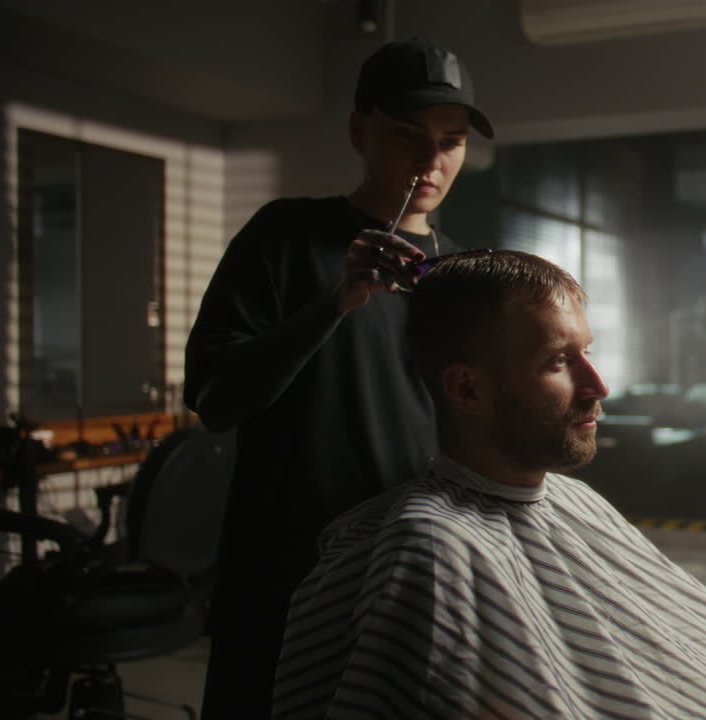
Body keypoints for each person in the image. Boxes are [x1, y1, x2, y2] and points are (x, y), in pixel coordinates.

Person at [272, 250, 706, 720]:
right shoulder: (433, 549)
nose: (598, 387)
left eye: (589, 354)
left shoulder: (578, 503)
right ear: (467, 388)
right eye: (558, 361)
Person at [183, 38, 494, 718]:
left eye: (451, 141)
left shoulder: (464, 276)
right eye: (409, 135)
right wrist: (335, 302)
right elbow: (215, 399)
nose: (431, 161)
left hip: (414, 567)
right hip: (287, 572)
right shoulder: (285, 236)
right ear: (359, 129)